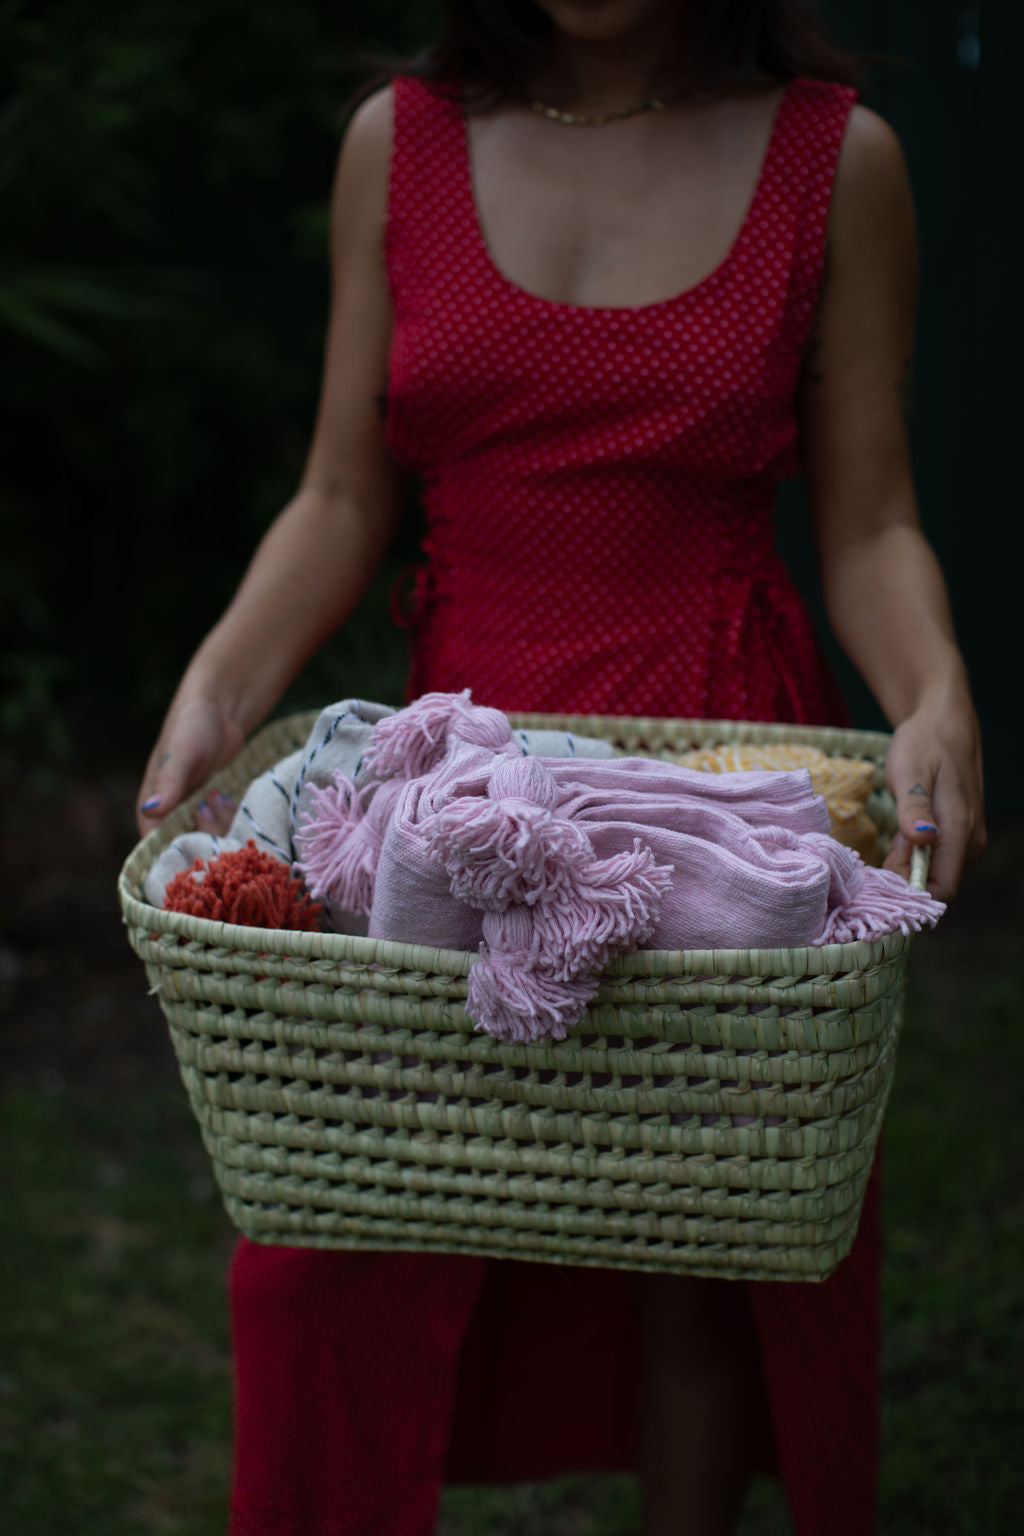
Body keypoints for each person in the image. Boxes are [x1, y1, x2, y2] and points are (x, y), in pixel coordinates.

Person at [136, 2, 985, 1532]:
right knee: (329, 1253)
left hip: (704, 776)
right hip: (450, 790)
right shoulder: (396, 146)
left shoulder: (835, 163)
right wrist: (219, 684)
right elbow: (342, 491)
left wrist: (931, 692)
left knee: (703, 1263)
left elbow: (870, 519)